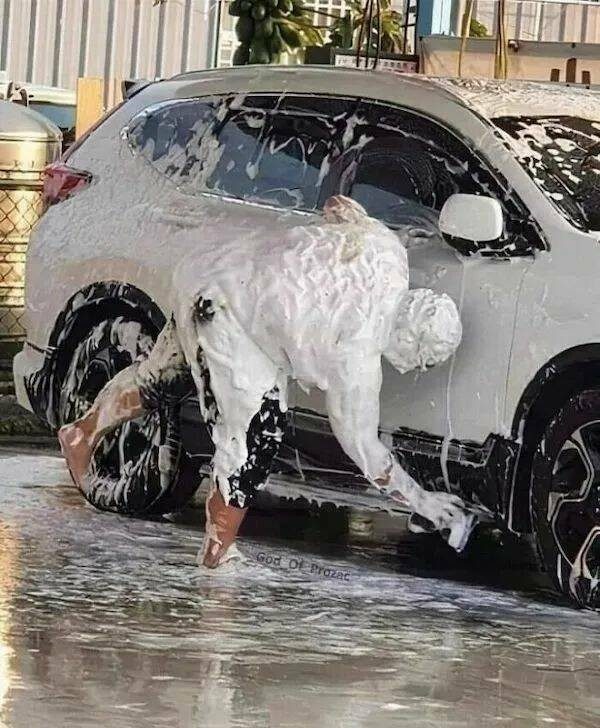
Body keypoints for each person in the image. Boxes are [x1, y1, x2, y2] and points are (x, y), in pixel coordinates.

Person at [59, 195, 475, 568]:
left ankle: (81, 433)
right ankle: (218, 555)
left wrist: (320, 263)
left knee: (162, 376)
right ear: (409, 341)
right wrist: (422, 500)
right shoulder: (358, 360)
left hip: (214, 269)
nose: (411, 368)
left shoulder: (387, 251)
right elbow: (367, 453)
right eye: (421, 361)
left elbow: (338, 206)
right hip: (233, 321)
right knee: (253, 441)